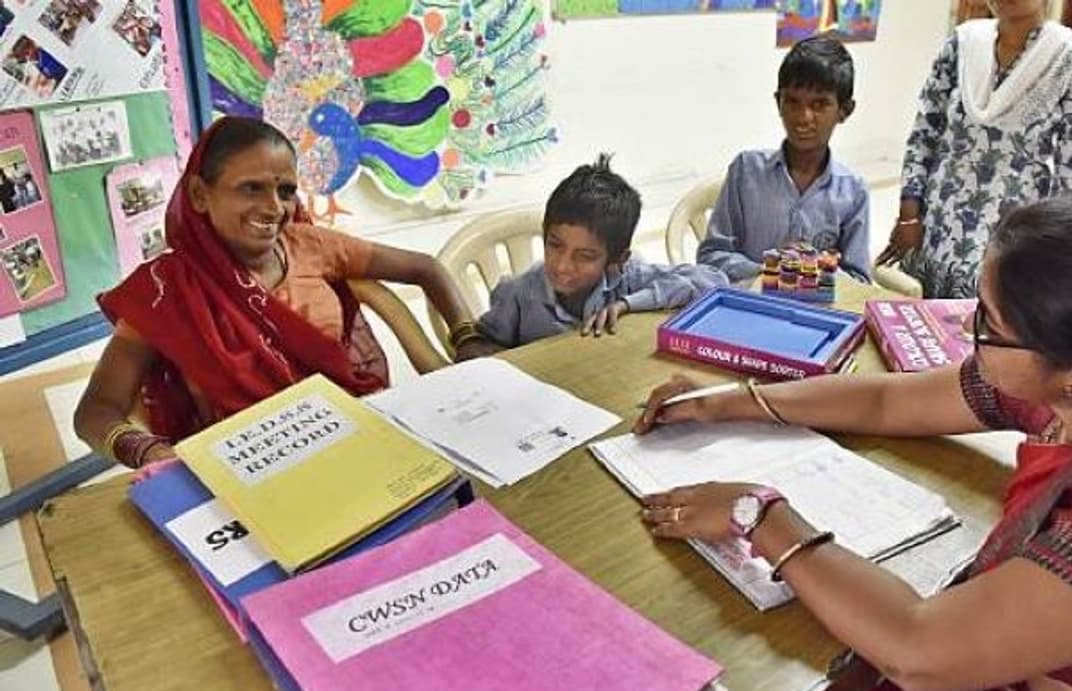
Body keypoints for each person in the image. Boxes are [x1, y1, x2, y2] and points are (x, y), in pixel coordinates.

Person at [636, 194, 1072, 691]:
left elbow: (917, 649)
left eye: (988, 325)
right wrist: (730, 401)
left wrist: (760, 515)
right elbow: (885, 402)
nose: (970, 333)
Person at [74, 117, 486, 467]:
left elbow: (425, 268)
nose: (274, 208)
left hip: (353, 431)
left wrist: (467, 338)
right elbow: (95, 410)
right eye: (251, 188)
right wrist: (150, 453)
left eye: (286, 191)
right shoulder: (164, 290)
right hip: (248, 464)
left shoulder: (312, 245)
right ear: (199, 195)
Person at [877, 0, 1072, 298]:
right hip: (936, 226)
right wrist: (908, 217)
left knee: (985, 317)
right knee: (919, 318)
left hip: (1011, 237)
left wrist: (1050, 251)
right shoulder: (963, 45)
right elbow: (924, 134)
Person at [470, 154, 726, 350]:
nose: (562, 266)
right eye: (555, 245)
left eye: (584, 256)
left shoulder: (627, 279)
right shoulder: (517, 293)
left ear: (617, 259)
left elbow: (714, 280)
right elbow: (481, 349)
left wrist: (628, 304)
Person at [697, 33, 871, 283]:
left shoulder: (853, 191)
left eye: (820, 104)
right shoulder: (746, 171)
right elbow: (712, 256)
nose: (803, 117)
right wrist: (771, 270)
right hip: (752, 302)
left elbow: (859, 280)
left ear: (845, 110)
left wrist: (817, 271)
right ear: (778, 102)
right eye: (792, 101)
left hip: (819, 306)